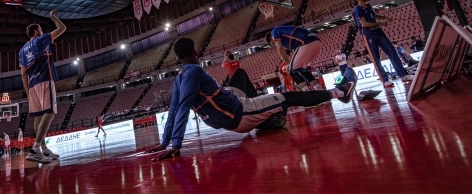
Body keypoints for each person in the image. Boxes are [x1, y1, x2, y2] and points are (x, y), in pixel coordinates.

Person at [144, 37, 356, 161]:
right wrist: (176, 145)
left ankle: (265, 114)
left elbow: (173, 110)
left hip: (229, 103)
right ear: (194, 52)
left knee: (240, 74)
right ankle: (339, 93)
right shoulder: (194, 72)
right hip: (239, 114)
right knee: (286, 96)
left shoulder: (180, 77)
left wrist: (165, 142)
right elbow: (182, 108)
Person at [19, 10, 66, 164]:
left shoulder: (22, 51)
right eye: (40, 29)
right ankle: (36, 148)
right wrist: (53, 17)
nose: (42, 31)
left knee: (39, 116)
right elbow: (62, 29)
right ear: (35, 31)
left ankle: (44, 150)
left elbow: (23, 73)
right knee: (50, 112)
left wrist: (27, 91)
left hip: (32, 85)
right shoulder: (40, 41)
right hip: (45, 78)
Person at [352, 0, 414, 87]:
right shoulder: (357, 10)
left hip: (378, 32)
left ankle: (404, 75)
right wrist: (380, 23)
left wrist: (385, 17)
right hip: (369, 34)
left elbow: (374, 15)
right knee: (376, 58)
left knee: (392, 51)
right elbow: (364, 24)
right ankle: (385, 80)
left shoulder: (368, 6)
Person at [265, 26, 323, 91]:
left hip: (305, 42)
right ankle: (319, 90)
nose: (274, 43)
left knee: (291, 70)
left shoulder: (274, 31)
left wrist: (288, 64)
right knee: (302, 69)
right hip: (317, 42)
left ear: (271, 38)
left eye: (273, 43)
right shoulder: (286, 35)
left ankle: (306, 91)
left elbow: (280, 48)